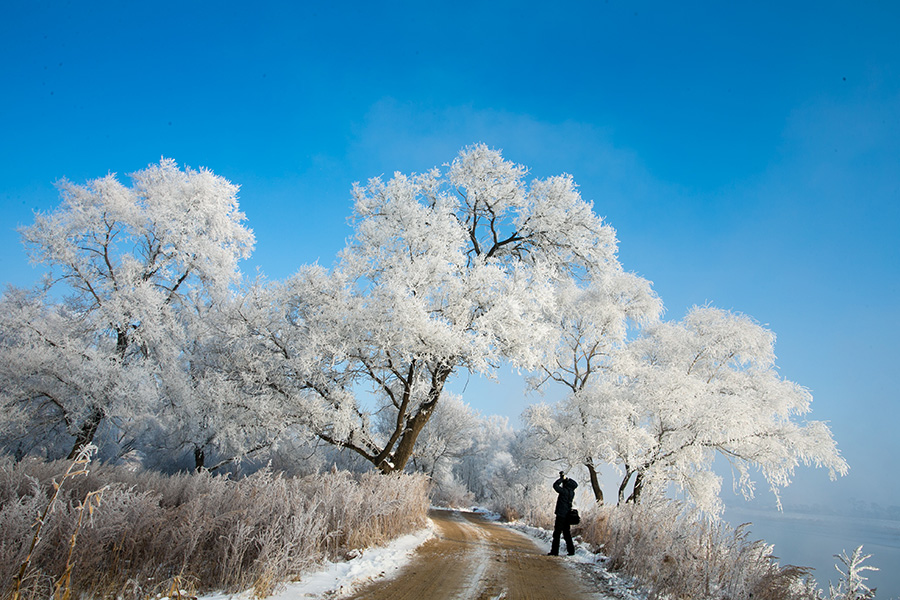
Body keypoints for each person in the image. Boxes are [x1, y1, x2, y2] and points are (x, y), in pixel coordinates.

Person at [548, 471, 578, 556]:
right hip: (567, 516)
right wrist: (564, 479)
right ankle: (571, 551)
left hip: (561, 515)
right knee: (567, 534)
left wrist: (561, 479)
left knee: (557, 533)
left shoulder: (564, 491)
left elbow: (555, 486)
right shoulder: (572, 492)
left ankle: (554, 551)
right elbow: (565, 486)